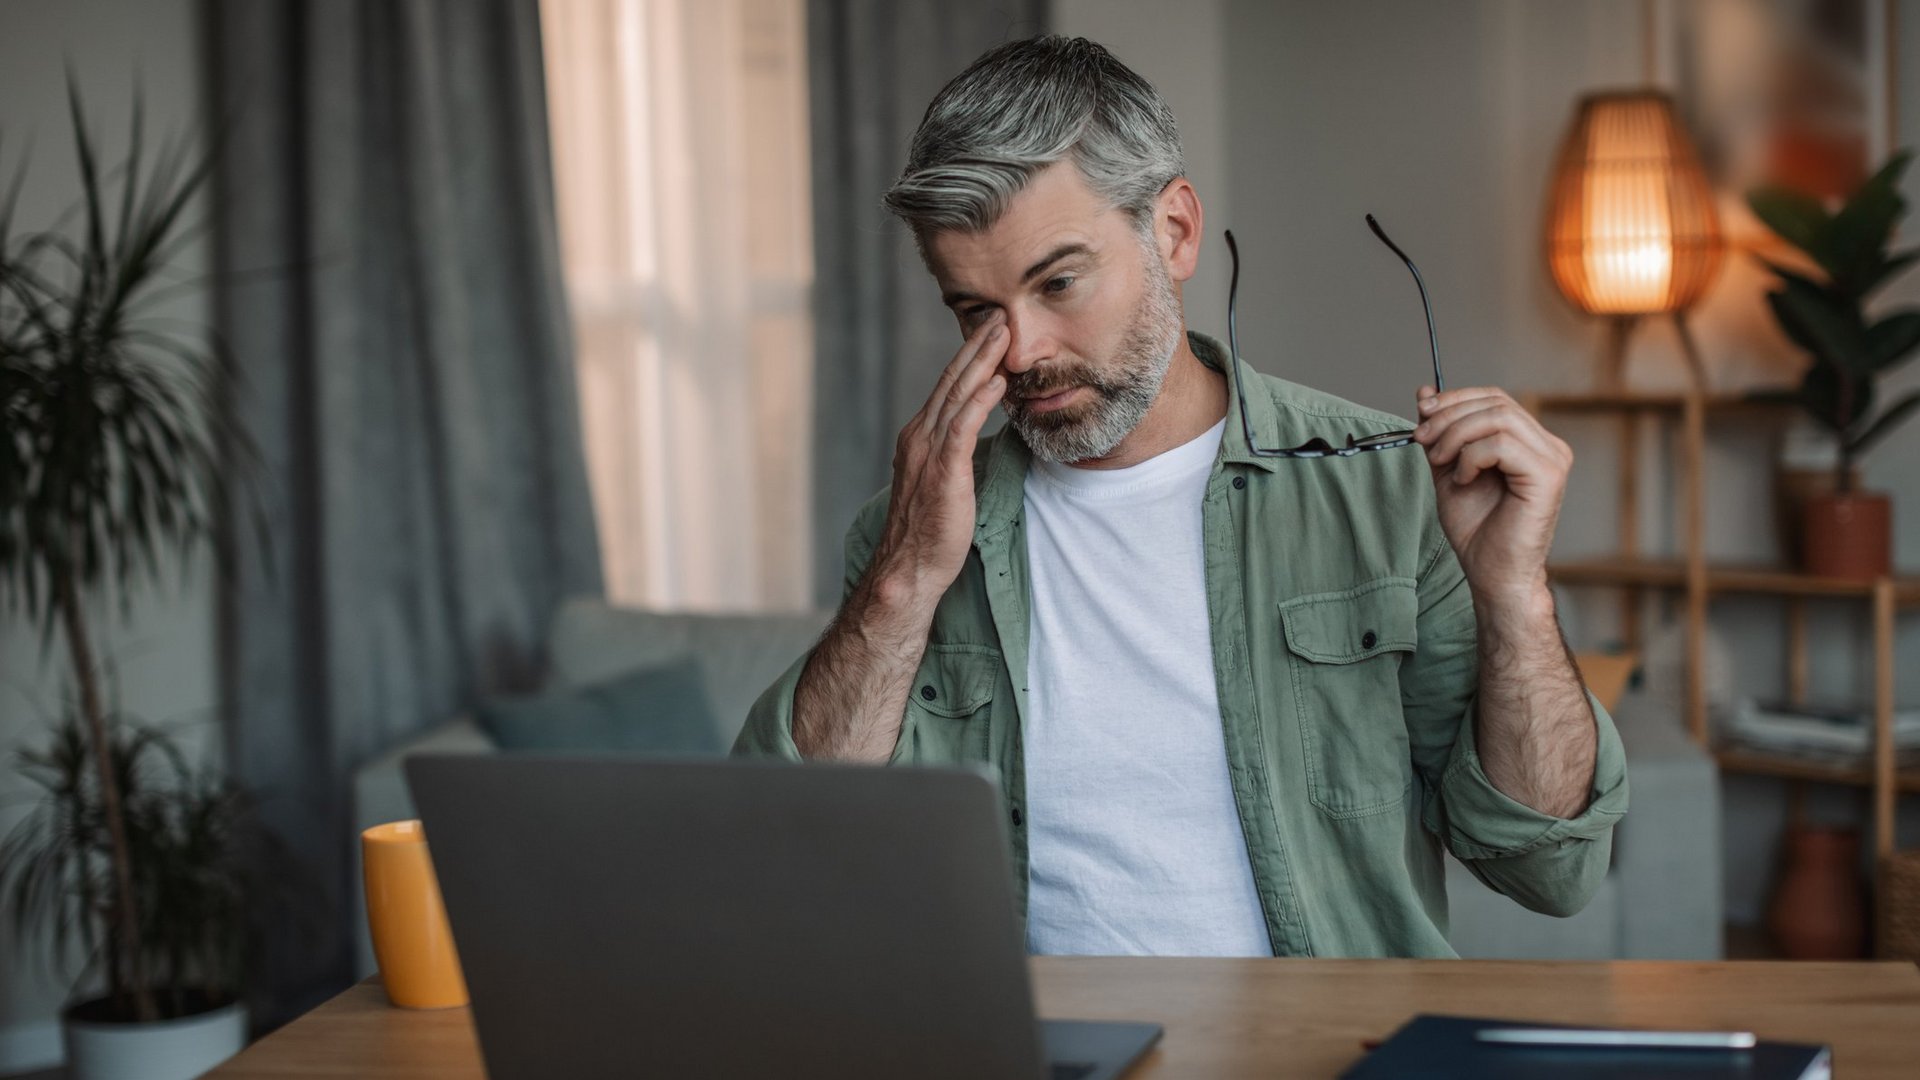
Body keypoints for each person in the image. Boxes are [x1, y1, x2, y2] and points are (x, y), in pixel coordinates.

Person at [735, 35, 1626, 958]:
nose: (1022, 351)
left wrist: (1515, 594)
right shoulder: (906, 535)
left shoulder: (1392, 496)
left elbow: (1550, 870)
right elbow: (792, 865)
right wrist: (903, 582)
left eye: (1059, 282)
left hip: (1327, 1052)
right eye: (974, 311)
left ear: (1176, 231)